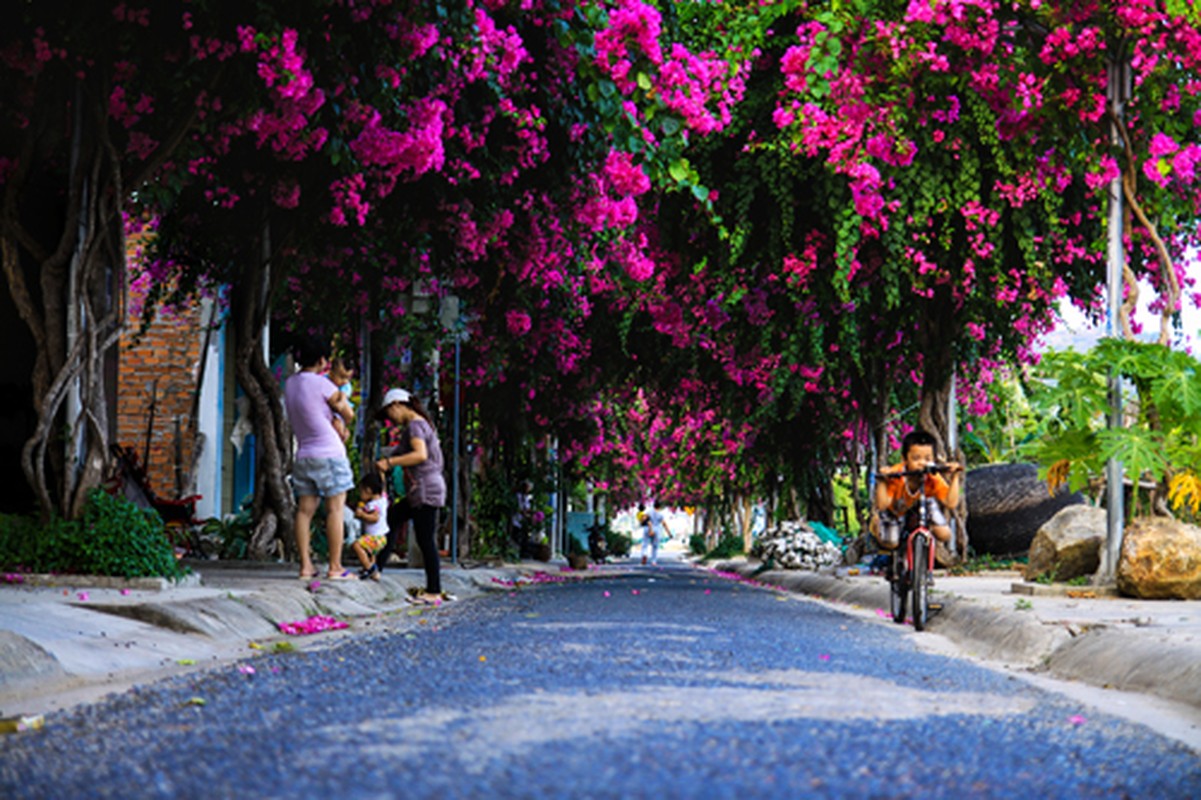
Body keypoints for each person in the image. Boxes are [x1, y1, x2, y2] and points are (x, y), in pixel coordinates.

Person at [284, 335, 357, 581]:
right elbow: (348, 414)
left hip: (304, 455)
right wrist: (341, 408)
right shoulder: (323, 384)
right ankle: (335, 567)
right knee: (334, 509)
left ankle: (305, 566)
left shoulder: (291, 383)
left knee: (304, 512)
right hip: (330, 455)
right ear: (323, 360)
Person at [376, 388, 447, 605]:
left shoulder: (416, 425)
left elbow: (419, 454)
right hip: (422, 488)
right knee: (393, 518)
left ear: (397, 405)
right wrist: (387, 457)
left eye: (390, 413)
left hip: (426, 489)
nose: (390, 419)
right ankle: (376, 568)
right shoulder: (418, 425)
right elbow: (402, 451)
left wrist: (390, 463)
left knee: (426, 540)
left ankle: (434, 590)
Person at [872, 429, 963, 551]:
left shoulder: (933, 477)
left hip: (922, 504)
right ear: (904, 459)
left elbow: (950, 503)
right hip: (896, 509)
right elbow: (883, 505)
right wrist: (883, 481)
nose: (922, 463)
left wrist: (955, 477)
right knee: (891, 543)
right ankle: (877, 525)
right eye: (916, 458)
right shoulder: (897, 475)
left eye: (928, 459)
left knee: (945, 534)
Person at [348, 472, 389, 581]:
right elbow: (383, 487)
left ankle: (370, 569)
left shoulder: (372, 505)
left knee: (356, 545)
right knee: (370, 553)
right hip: (382, 537)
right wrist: (381, 474)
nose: (360, 494)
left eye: (361, 491)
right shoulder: (383, 499)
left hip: (375, 537)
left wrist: (362, 515)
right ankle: (368, 567)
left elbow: (375, 518)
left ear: (369, 490)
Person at [643, 500, 672, 566]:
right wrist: (669, 533)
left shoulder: (649, 512)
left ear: (654, 506)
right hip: (657, 530)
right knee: (655, 546)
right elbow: (664, 524)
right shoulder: (660, 514)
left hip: (649, 529)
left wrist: (647, 523)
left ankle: (644, 554)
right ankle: (654, 561)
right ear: (659, 507)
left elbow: (644, 518)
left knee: (645, 544)